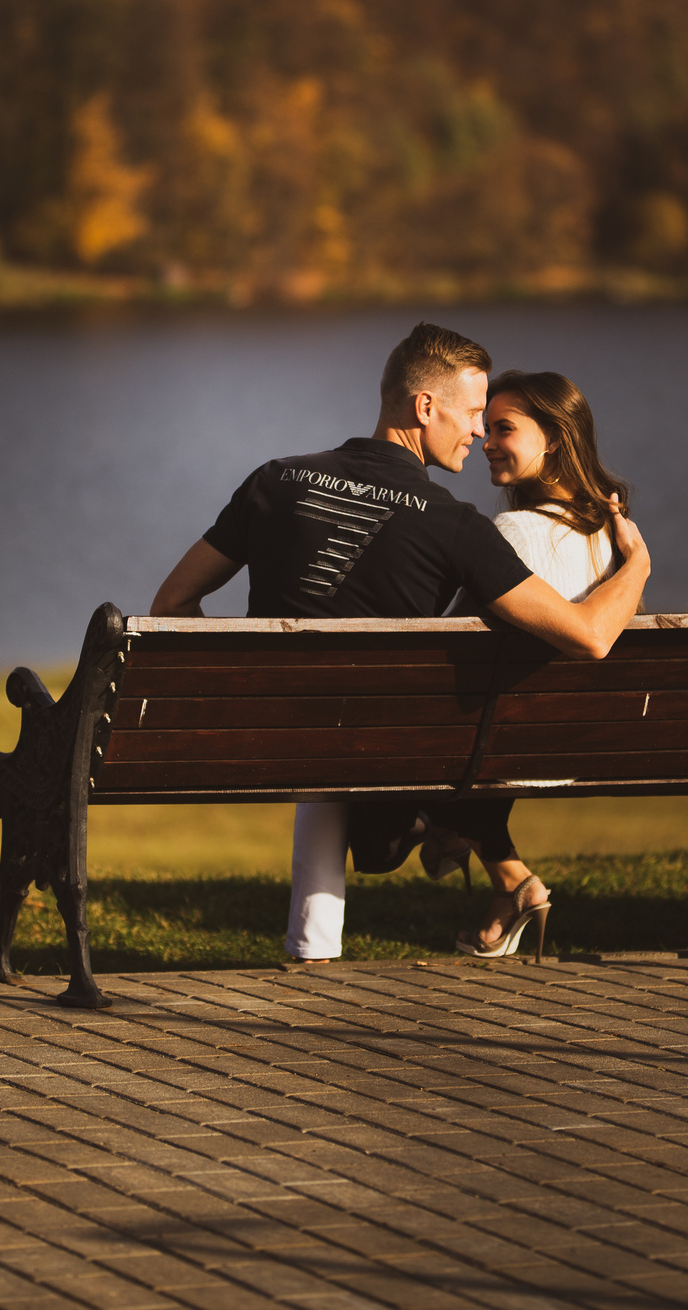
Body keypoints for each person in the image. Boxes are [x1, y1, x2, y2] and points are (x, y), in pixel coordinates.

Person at [148, 322, 650, 964]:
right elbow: (587, 635)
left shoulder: (273, 479)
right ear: (425, 408)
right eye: (473, 414)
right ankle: (441, 837)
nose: (476, 431)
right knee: (362, 751)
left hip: (265, 733)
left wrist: (240, 686)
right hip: (372, 749)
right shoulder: (457, 527)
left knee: (327, 731)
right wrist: (635, 564)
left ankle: (323, 941)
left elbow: (171, 604)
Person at [444, 367, 636, 955]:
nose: (486, 441)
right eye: (486, 427)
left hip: (497, 743)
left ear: (553, 438)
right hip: (578, 737)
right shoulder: (616, 537)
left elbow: (441, 646)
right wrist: (641, 565)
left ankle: (455, 840)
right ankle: (484, 864)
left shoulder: (508, 533)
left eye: (504, 429)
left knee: (417, 755)